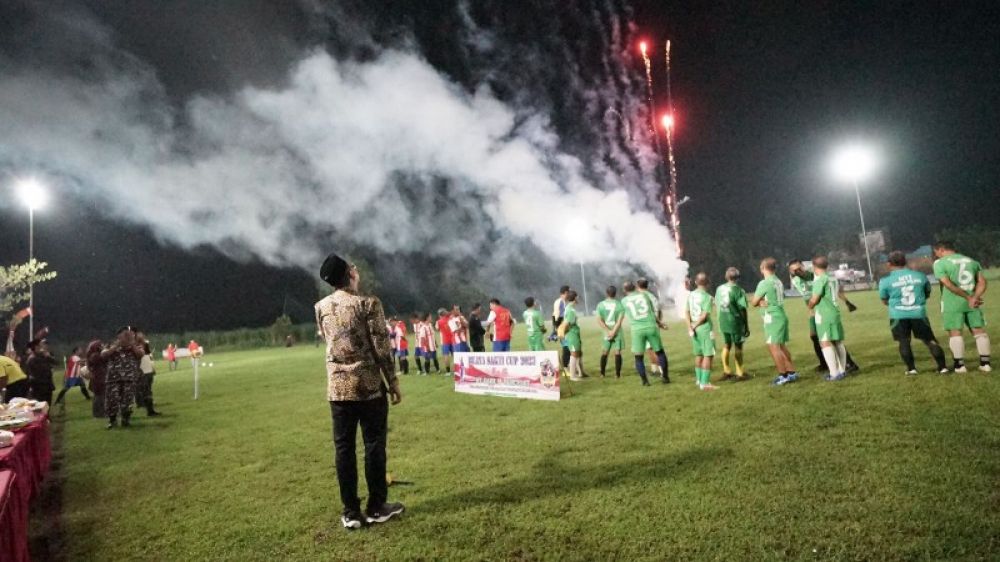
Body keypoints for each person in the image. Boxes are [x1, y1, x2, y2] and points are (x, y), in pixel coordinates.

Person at [315, 253, 403, 529]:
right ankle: (376, 507)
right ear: (350, 274)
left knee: (344, 450)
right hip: (368, 388)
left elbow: (328, 339)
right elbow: (381, 348)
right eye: (353, 268)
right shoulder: (368, 304)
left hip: (338, 391)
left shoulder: (320, 307)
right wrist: (393, 382)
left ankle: (350, 512)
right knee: (374, 445)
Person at [879, 250, 949, 374]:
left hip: (898, 315)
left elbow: (884, 300)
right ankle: (943, 367)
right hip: (918, 313)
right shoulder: (920, 276)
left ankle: (911, 369)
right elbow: (927, 293)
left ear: (889, 264)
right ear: (905, 261)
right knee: (929, 340)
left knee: (904, 341)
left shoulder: (885, 280)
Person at [788, 259, 860, 374]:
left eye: (799, 268)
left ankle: (848, 363)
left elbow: (833, 289)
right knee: (815, 336)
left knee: (830, 338)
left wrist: (847, 301)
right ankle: (825, 363)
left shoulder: (815, 276)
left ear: (803, 266)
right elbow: (807, 296)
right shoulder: (796, 280)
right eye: (794, 270)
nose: (798, 271)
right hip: (814, 310)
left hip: (822, 309)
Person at [932, 240, 991, 372]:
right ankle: (985, 363)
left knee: (955, 333)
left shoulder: (940, 263)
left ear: (941, 249)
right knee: (979, 332)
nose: (936, 255)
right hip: (973, 303)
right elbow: (982, 282)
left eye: (936, 252)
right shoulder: (972, 261)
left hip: (952, 302)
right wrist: (974, 297)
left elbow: (947, 284)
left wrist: (967, 297)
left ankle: (960, 365)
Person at [750, 258, 799, 386]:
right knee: (781, 346)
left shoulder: (764, 283)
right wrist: (762, 301)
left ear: (763, 268)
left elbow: (754, 302)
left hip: (772, 317)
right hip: (781, 315)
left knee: (773, 346)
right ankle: (791, 372)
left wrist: (759, 302)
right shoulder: (778, 281)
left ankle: (783, 375)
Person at [807, 257, 848, 381]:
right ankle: (842, 370)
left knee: (824, 342)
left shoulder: (820, 280)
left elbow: (815, 299)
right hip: (835, 312)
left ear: (814, 266)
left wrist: (809, 306)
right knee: (838, 341)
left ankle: (834, 373)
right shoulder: (832, 278)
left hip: (824, 313)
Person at [621, 281, 670, 386]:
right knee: (660, 352)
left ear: (624, 290)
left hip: (637, 330)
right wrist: (660, 324)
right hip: (651, 326)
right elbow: (652, 312)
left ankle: (645, 381)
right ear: (634, 287)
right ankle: (665, 377)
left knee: (638, 357)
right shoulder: (644, 296)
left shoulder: (624, 301)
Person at [102, 327, 144, 429]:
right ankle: (112, 421)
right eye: (124, 334)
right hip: (113, 378)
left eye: (128, 334)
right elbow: (103, 355)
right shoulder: (110, 345)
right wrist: (116, 346)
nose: (126, 336)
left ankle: (126, 419)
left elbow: (140, 354)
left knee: (128, 400)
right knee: (112, 400)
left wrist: (132, 344)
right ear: (118, 336)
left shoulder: (135, 345)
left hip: (129, 378)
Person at [715, 267, 750, 381]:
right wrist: (746, 325)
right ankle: (740, 373)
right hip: (735, 322)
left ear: (726, 277)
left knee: (726, 345)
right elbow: (742, 309)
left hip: (723, 320)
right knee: (738, 346)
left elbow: (717, 303)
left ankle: (727, 371)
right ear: (738, 277)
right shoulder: (739, 290)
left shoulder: (719, 289)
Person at [686, 273, 718, 391]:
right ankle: (705, 384)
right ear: (708, 283)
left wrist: (690, 327)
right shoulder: (707, 297)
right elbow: (704, 315)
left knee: (699, 354)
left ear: (695, 282)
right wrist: (695, 325)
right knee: (708, 355)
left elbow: (686, 312)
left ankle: (699, 380)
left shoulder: (691, 295)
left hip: (694, 329)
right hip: (704, 328)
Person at [636, 278, 666, 377]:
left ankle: (660, 371)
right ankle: (654, 370)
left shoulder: (640, 297)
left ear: (637, 286)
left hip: (646, 324)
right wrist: (659, 323)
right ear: (647, 286)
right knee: (652, 349)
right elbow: (659, 310)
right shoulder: (652, 296)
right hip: (654, 324)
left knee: (652, 349)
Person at [595, 286, 625, 378]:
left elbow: (599, 320)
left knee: (605, 352)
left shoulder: (600, 305)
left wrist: (608, 331)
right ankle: (617, 374)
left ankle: (602, 374)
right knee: (617, 352)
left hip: (606, 332)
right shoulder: (619, 305)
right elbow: (619, 322)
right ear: (615, 293)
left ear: (606, 293)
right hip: (617, 331)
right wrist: (613, 331)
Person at [558, 290, 585, 381]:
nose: (578, 298)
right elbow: (566, 324)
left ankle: (579, 373)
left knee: (576, 353)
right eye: (577, 297)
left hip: (574, 334)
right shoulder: (570, 310)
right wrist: (562, 334)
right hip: (572, 335)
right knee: (573, 354)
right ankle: (573, 376)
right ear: (575, 298)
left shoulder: (569, 307)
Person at [135, 332, 161, 416]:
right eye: (141, 336)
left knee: (147, 390)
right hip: (143, 371)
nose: (143, 337)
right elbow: (141, 355)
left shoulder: (143, 345)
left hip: (147, 369)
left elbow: (148, 355)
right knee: (145, 390)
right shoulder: (137, 347)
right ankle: (147, 408)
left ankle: (150, 409)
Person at [25, 338, 57, 404]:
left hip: (47, 385)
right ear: (36, 347)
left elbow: (56, 362)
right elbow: (35, 374)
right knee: (41, 406)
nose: (43, 347)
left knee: (48, 405)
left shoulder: (44, 356)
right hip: (39, 387)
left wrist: (48, 356)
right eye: (41, 345)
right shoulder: (32, 359)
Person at [85, 340, 107, 419]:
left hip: (97, 378)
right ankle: (99, 414)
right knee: (99, 397)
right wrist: (105, 350)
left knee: (99, 396)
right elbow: (105, 357)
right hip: (99, 378)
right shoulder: (96, 356)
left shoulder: (92, 355)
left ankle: (99, 413)